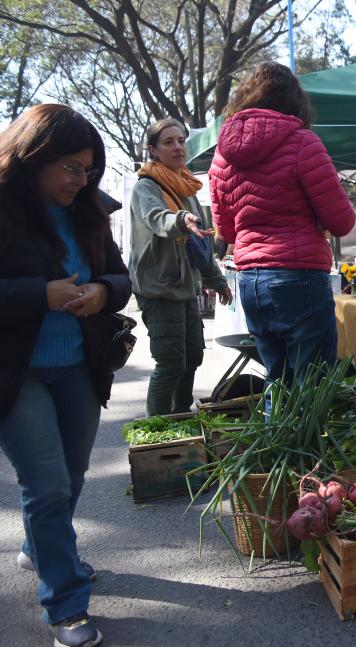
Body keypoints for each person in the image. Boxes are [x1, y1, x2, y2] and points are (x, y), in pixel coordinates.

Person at [0, 104, 132, 647]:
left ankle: (41, 547)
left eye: (89, 169)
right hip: (16, 373)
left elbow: (120, 278)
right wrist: (39, 294)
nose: (82, 180)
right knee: (48, 484)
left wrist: (102, 292)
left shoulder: (90, 210)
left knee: (71, 478)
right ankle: (66, 605)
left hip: (79, 365)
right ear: (34, 157)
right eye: (72, 169)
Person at [209, 62, 356, 382]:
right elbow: (342, 222)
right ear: (294, 101)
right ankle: (308, 435)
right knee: (312, 386)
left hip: (250, 281)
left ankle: (273, 432)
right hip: (298, 276)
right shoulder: (303, 142)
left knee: (277, 382)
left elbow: (228, 231)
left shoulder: (221, 155)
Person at [129, 118, 232, 416]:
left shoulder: (186, 189)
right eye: (168, 142)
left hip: (186, 288)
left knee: (193, 357)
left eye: (181, 141)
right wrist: (180, 220)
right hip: (159, 289)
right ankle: (159, 428)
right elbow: (156, 218)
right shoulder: (145, 187)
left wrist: (217, 281)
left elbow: (200, 248)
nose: (177, 147)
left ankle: (182, 415)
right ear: (153, 150)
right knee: (170, 362)